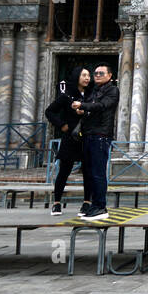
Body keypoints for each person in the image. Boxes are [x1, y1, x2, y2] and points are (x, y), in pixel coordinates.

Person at [72, 64, 119, 221]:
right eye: (96, 73)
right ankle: (93, 205)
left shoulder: (112, 90)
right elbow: (92, 107)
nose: (97, 75)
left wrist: (83, 105)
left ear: (109, 75)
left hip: (101, 135)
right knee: (90, 173)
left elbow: (102, 106)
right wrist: (82, 110)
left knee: (98, 173)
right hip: (89, 134)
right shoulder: (94, 90)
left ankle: (100, 207)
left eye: (101, 73)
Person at [44, 67, 91, 216]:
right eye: (84, 75)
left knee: (88, 171)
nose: (87, 78)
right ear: (77, 76)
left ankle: (86, 203)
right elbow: (49, 111)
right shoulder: (66, 96)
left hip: (87, 137)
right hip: (71, 137)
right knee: (64, 170)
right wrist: (62, 125)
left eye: (89, 75)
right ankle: (57, 203)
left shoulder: (92, 95)